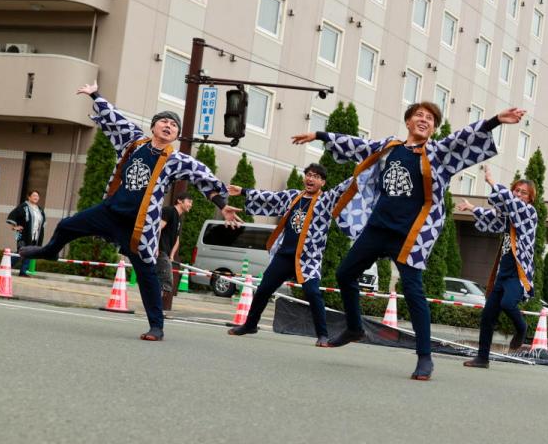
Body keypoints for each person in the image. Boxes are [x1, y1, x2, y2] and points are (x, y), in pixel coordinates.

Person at [291, 100, 525, 380]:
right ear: (408, 122)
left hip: (410, 234)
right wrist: (320, 135)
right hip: (378, 227)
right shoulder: (390, 148)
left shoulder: (437, 153)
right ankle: (355, 327)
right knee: (344, 274)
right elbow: (360, 145)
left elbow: (461, 138)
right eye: (419, 115)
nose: (424, 120)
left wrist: (495, 120)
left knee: (414, 292)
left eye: (430, 118)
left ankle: (425, 357)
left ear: (433, 128)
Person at [19, 83, 241, 340]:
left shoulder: (177, 160)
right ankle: (49, 251)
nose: (168, 126)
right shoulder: (134, 143)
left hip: (139, 224)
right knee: (68, 225)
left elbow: (205, 178)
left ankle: (156, 326)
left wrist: (222, 205)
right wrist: (95, 95)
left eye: (174, 125)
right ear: (154, 126)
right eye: (164, 121)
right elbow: (116, 119)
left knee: (146, 272)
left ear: (176, 135)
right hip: (110, 211)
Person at [225, 163, 354, 346]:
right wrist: (244, 191)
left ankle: (323, 335)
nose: (310, 178)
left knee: (313, 293)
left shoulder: (325, 201)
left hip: (308, 258)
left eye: (316, 176)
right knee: (263, 289)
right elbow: (271, 197)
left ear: (322, 182)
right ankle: (250, 324)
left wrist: (363, 170)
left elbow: (343, 187)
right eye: (308, 174)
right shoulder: (293, 196)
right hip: (285, 254)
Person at [456, 167, 538, 368]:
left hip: (519, 274)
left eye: (523, 192)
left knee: (508, 304)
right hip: (503, 271)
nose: (518, 194)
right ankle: (482, 358)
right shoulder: (510, 215)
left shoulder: (529, 213)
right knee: (488, 316)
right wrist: (472, 207)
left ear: (530, 198)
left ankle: (522, 328)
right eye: (516, 190)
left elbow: (510, 203)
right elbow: (494, 214)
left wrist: (492, 182)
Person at [157, 192, 193, 299]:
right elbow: (158, 228)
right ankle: (156, 307)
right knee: (166, 280)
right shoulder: (169, 211)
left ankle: (156, 307)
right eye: (189, 202)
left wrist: (172, 255)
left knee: (161, 281)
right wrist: (155, 247)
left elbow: (177, 239)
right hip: (160, 250)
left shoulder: (179, 218)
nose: (190, 205)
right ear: (179, 201)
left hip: (166, 253)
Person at [7, 190, 46, 277]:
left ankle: (23, 272)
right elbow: (13, 215)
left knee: (30, 252)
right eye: (34, 195)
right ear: (29, 197)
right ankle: (7, 267)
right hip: (22, 234)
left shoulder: (39, 209)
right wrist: (14, 227)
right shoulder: (24, 206)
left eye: (37, 196)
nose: (36, 197)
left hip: (35, 235)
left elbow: (42, 223)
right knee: (21, 252)